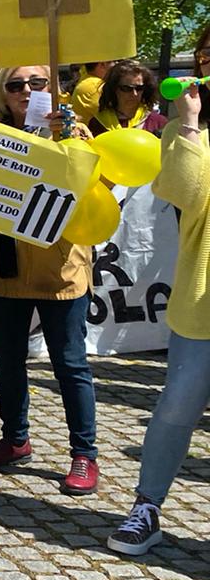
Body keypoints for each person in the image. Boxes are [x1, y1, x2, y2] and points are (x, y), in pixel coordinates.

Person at [0, 64, 99, 495]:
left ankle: (84, 454)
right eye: (16, 84)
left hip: (58, 266)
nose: (27, 90)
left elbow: (98, 183)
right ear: (2, 92)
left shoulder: (74, 132)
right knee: (7, 360)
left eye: (37, 83)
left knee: (69, 363)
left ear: (53, 87)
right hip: (5, 264)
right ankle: (15, 438)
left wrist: (68, 139)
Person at [108, 72, 209, 554]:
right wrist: (187, 125)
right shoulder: (182, 131)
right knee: (176, 407)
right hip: (201, 300)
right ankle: (147, 508)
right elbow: (183, 194)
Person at [89, 61, 166, 136]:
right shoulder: (98, 123)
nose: (134, 94)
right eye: (127, 88)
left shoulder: (158, 122)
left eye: (139, 88)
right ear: (114, 89)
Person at [70, 60, 112, 126]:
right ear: (102, 64)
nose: (117, 65)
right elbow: (112, 123)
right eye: (115, 61)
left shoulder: (88, 80)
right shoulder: (94, 86)